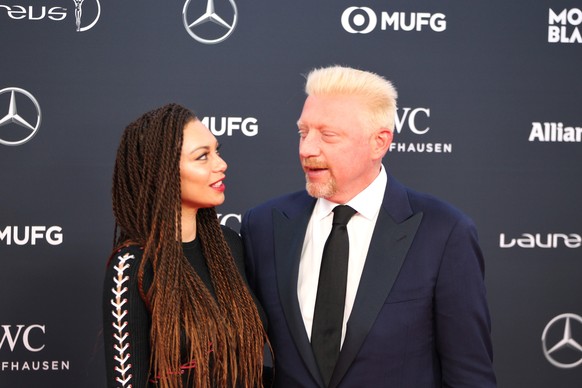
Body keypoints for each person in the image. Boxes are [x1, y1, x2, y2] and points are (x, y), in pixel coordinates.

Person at [240, 66, 497, 387]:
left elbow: (469, 376)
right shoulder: (264, 225)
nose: (307, 149)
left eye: (327, 135)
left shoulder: (444, 232)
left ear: (379, 142)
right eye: (303, 132)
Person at [103, 103, 268, 387]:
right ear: (161, 172)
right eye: (202, 157)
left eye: (217, 151)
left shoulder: (228, 245)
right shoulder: (131, 266)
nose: (221, 164)